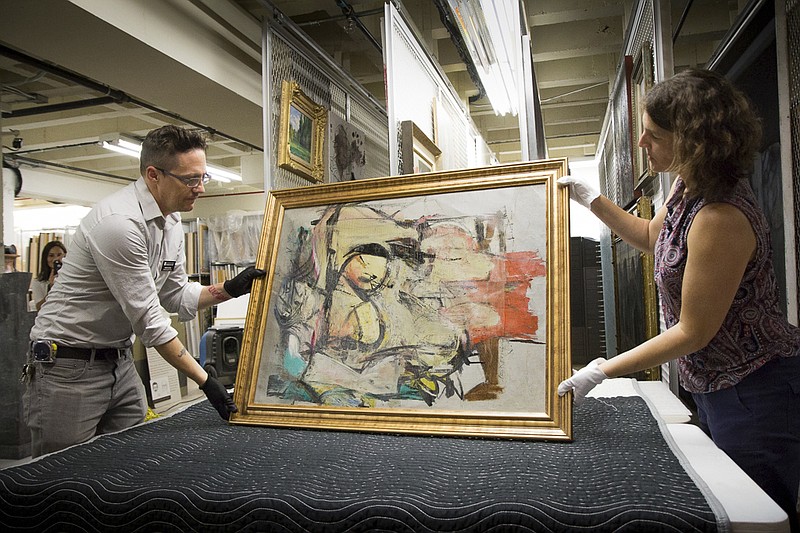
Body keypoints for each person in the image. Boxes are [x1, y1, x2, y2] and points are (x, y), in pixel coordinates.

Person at [557, 69, 800, 531]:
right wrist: (593, 201)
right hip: (712, 383)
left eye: (652, 135)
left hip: (756, 388)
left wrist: (602, 369)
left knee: (756, 516)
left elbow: (693, 331)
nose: (642, 145)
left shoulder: (720, 215)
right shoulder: (687, 185)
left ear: (690, 141)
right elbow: (653, 235)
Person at [24, 125, 265, 458]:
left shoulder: (170, 224)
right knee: (62, 479)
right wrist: (205, 381)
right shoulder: (119, 224)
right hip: (67, 366)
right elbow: (150, 322)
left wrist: (230, 288)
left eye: (203, 178)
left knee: (133, 463)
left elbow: (176, 295)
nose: (200, 189)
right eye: (190, 179)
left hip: (118, 362)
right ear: (154, 175)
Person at [29, 240, 67, 311]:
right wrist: (51, 288)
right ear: (45, 258)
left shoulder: (70, 277)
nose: (55, 259)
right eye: (51, 255)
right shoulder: (38, 282)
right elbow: (39, 307)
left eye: (59, 255)